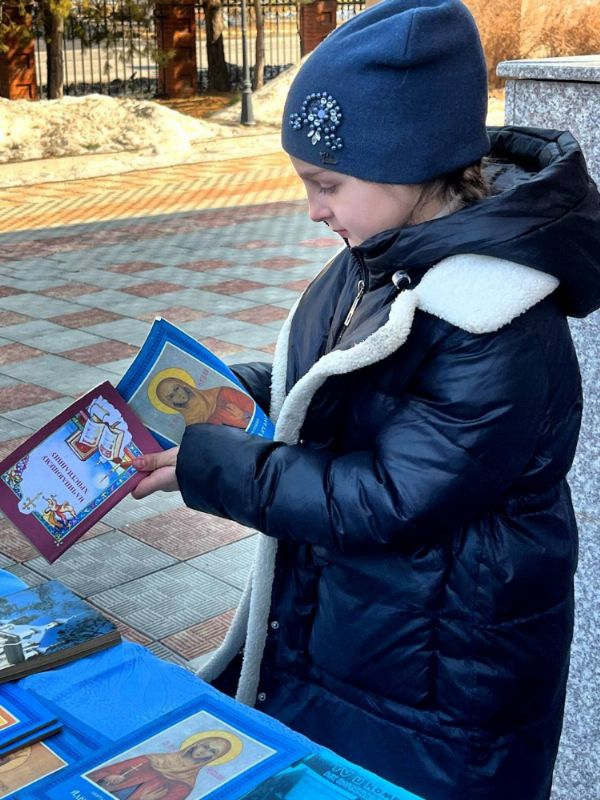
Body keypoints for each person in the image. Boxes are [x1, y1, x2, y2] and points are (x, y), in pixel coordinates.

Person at [131, 1, 600, 798]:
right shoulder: (385, 251)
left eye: (328, 184)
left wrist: (218, 467)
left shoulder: (495, 317)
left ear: (410, 164)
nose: (314, 208)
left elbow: (387, 499)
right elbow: (340, 383)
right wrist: (226, 394)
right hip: (366, 643)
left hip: (444, 693)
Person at [87, 732, 240, 800]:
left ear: (213, 758)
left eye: (212, 751)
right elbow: (96, 774)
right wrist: (107, 777)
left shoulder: (184, 785)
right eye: (205, 746)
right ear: (196, 744)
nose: (203, 751)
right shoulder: (152, 759)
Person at [154, 376, 254, 429]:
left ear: (183, 385)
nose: (178, 395)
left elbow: (258, 417)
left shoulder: (223, 394)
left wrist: (243, 416)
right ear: (170, 403)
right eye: (171, 396)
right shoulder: (192, 428)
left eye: (176, 389)